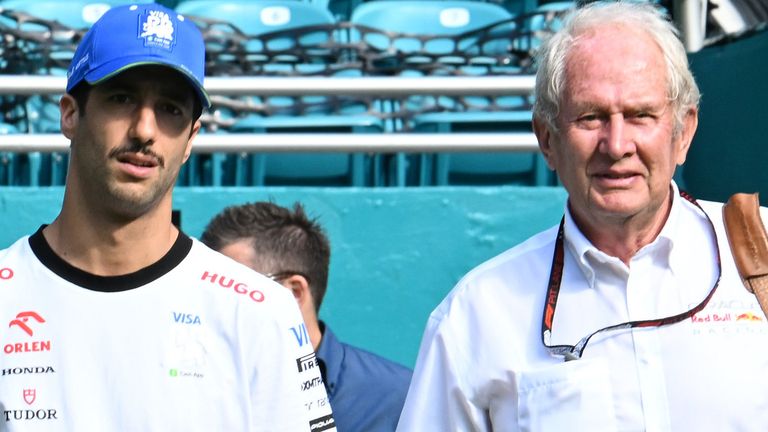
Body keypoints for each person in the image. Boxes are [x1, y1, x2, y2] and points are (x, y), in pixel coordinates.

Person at [397, 2, 768, 431]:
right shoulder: (476, 316)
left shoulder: (760, 252)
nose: (616, 145)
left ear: (683, 132)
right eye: (590, 117)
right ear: (547, 139)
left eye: (640, 115)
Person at [0, 5, 335, 431]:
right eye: (121, 98)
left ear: (192, 137)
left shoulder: (259, 311)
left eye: (170, 109)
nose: (144, 130)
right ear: (70, 113)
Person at [201, 201, 413, 432]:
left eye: (230, 290)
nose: (209, 306)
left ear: (293, 293)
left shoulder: (401, 400)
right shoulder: (191, 384)